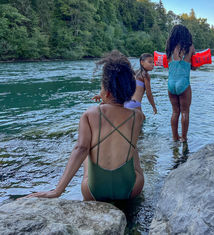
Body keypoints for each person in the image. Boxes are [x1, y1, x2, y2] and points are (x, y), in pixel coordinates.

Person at [25, 50, 144, 201]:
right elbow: (119, 114)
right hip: (130, 189)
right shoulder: (137, 116)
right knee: (132, 149)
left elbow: (80, 149)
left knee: (86, 149)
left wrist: (57, 191)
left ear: (106, 92)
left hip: (94, 191)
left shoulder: (89, 114)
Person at [166, 24, 197, 142]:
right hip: (183, 83)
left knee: (175, 112)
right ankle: (184, 138)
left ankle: (175, 138)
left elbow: (168, 66)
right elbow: (193, 67)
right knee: (185, 112)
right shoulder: (190, 47)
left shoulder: (168, 48)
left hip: (170, 84)